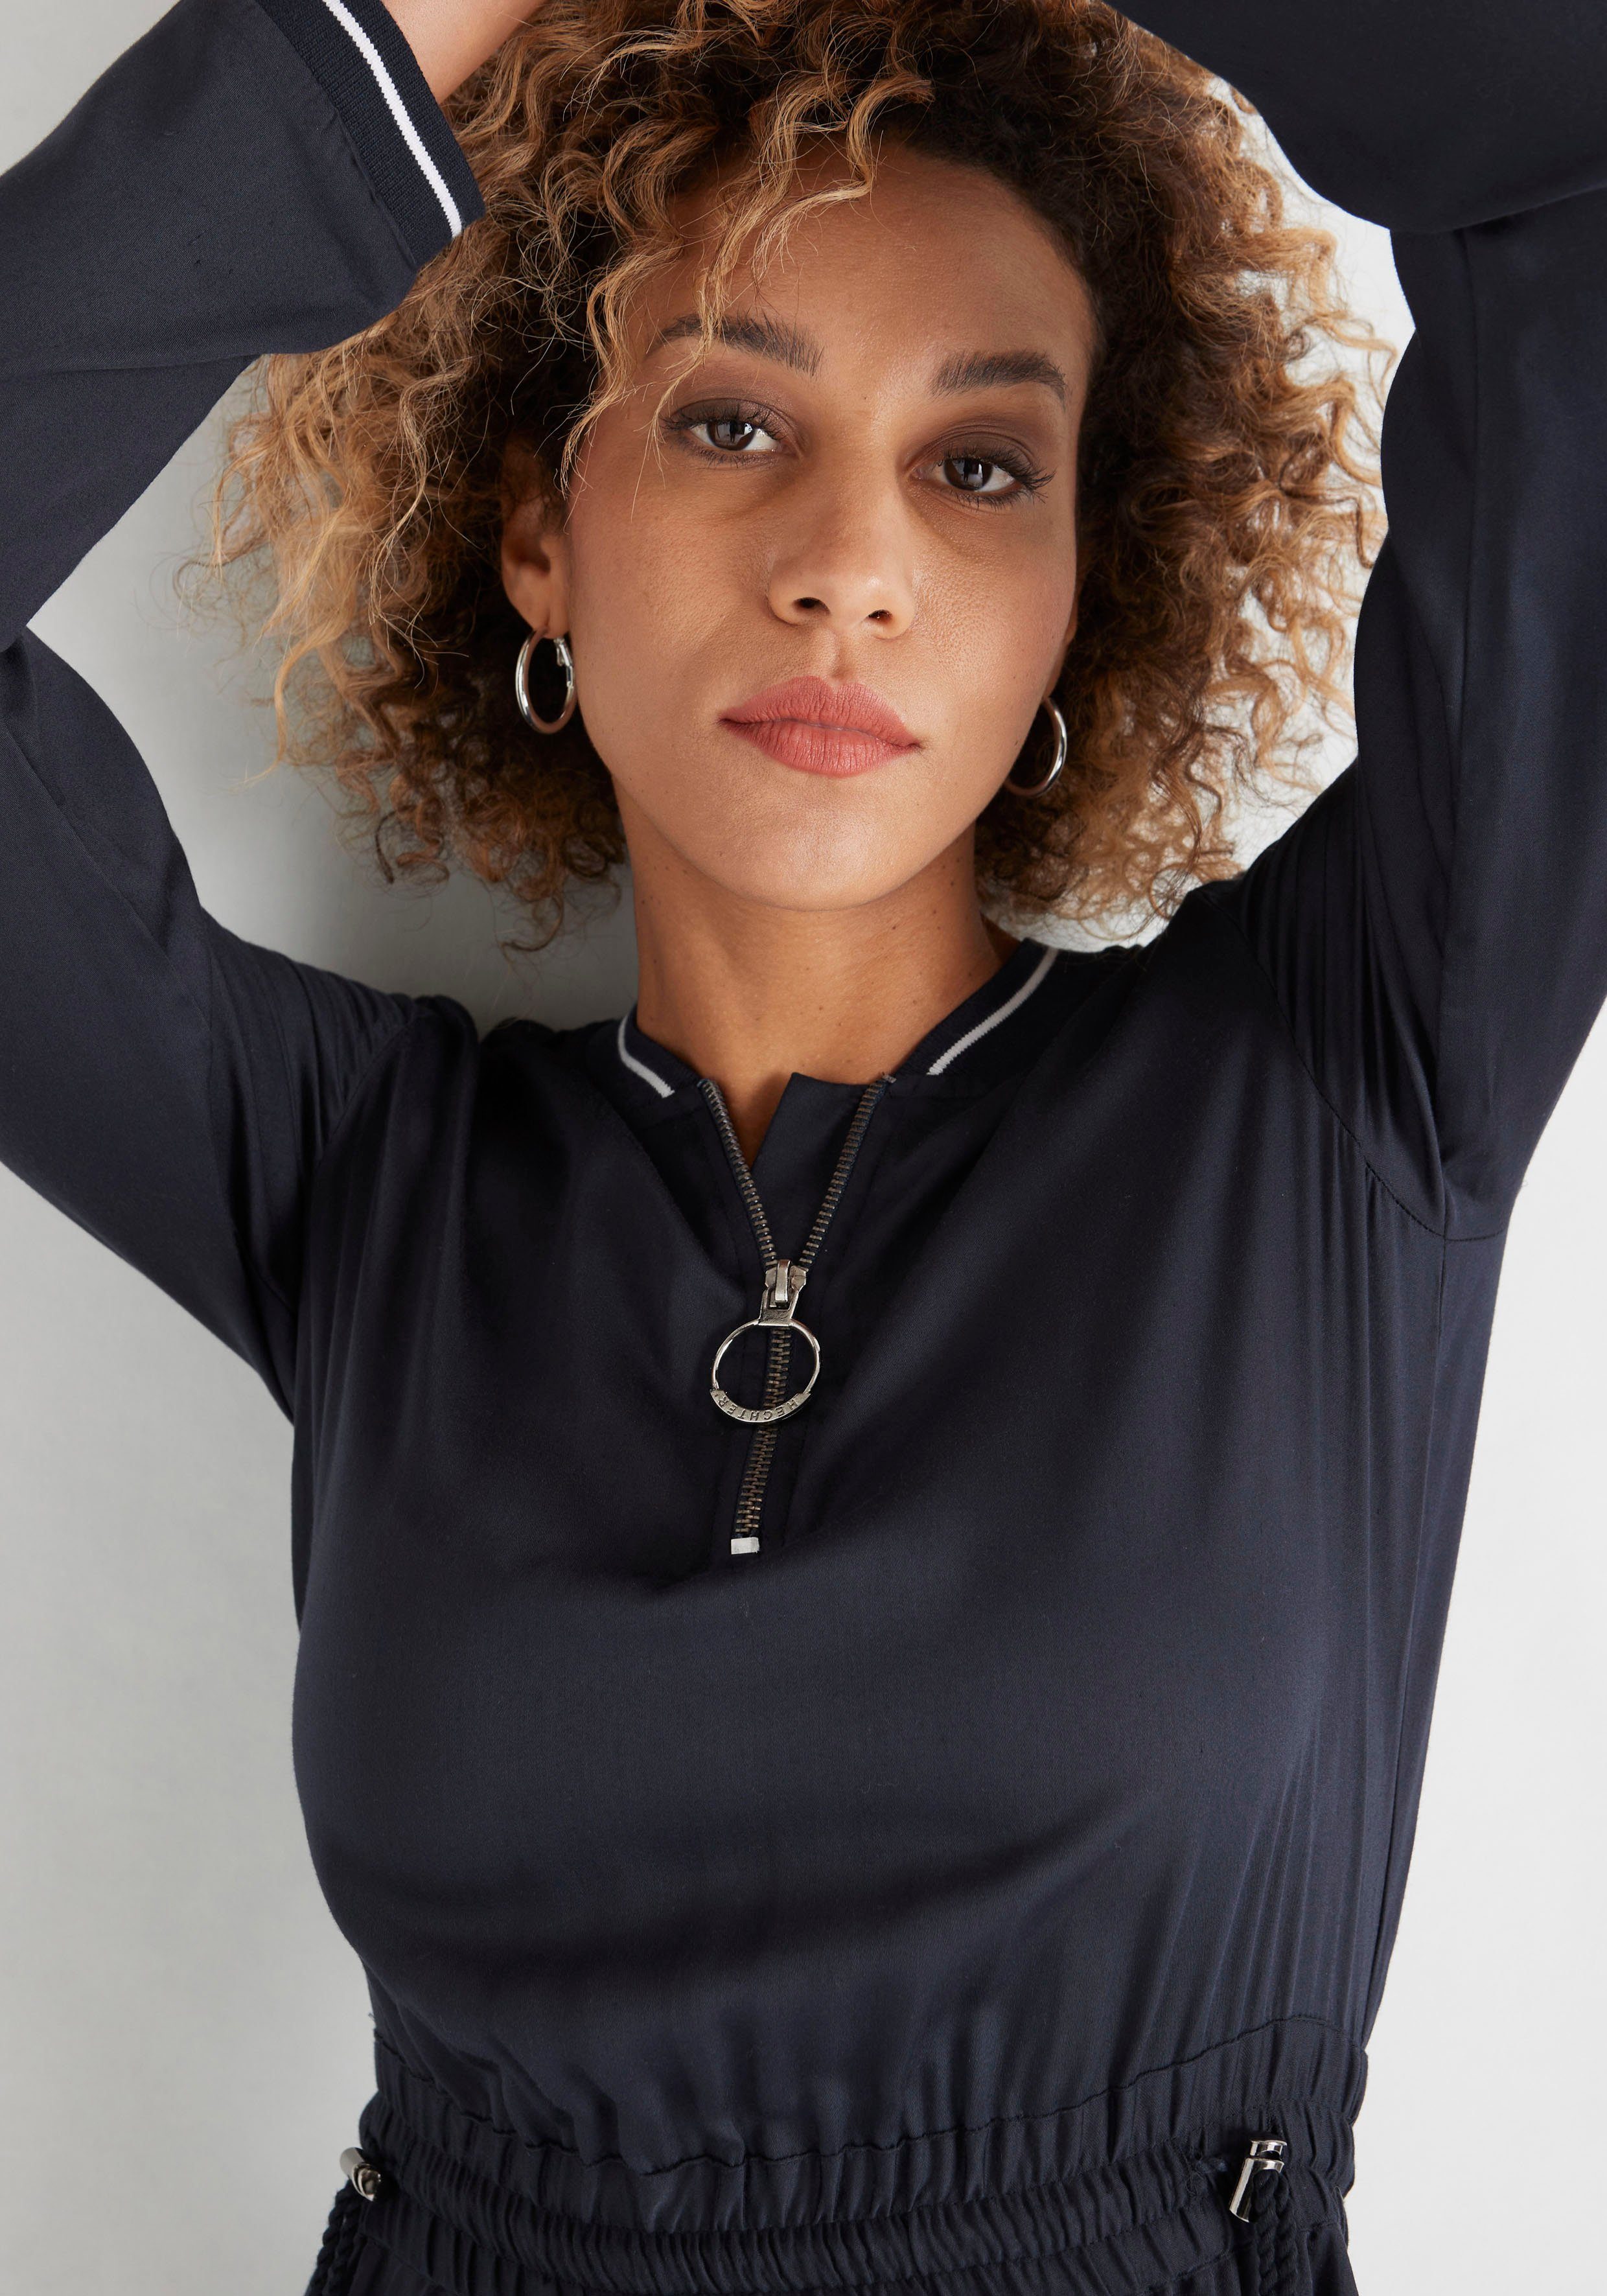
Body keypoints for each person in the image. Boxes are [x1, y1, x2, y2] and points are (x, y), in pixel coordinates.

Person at [1, 0, 1604, 2290]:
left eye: (985, 467)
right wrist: (396, 28)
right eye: (733, 420)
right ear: (537, 529)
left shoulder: (1355, 1074)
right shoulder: (358, 1185)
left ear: (1088, 579)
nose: (850, 563)